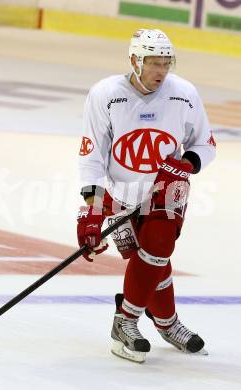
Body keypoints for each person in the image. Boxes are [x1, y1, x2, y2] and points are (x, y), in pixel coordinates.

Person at [77, 29, 216, 363]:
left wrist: (185, 164)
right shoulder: (106, 94)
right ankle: (167, 322)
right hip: (120, 192)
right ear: (134, 60)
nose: (161, 71)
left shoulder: (184, 93)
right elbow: (92, 156)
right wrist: (92, 210)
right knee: (153, 265)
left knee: (157, 248)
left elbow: (205, 145)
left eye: (166, 63)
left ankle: (124, 322)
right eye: (153, 63)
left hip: (168, 191)